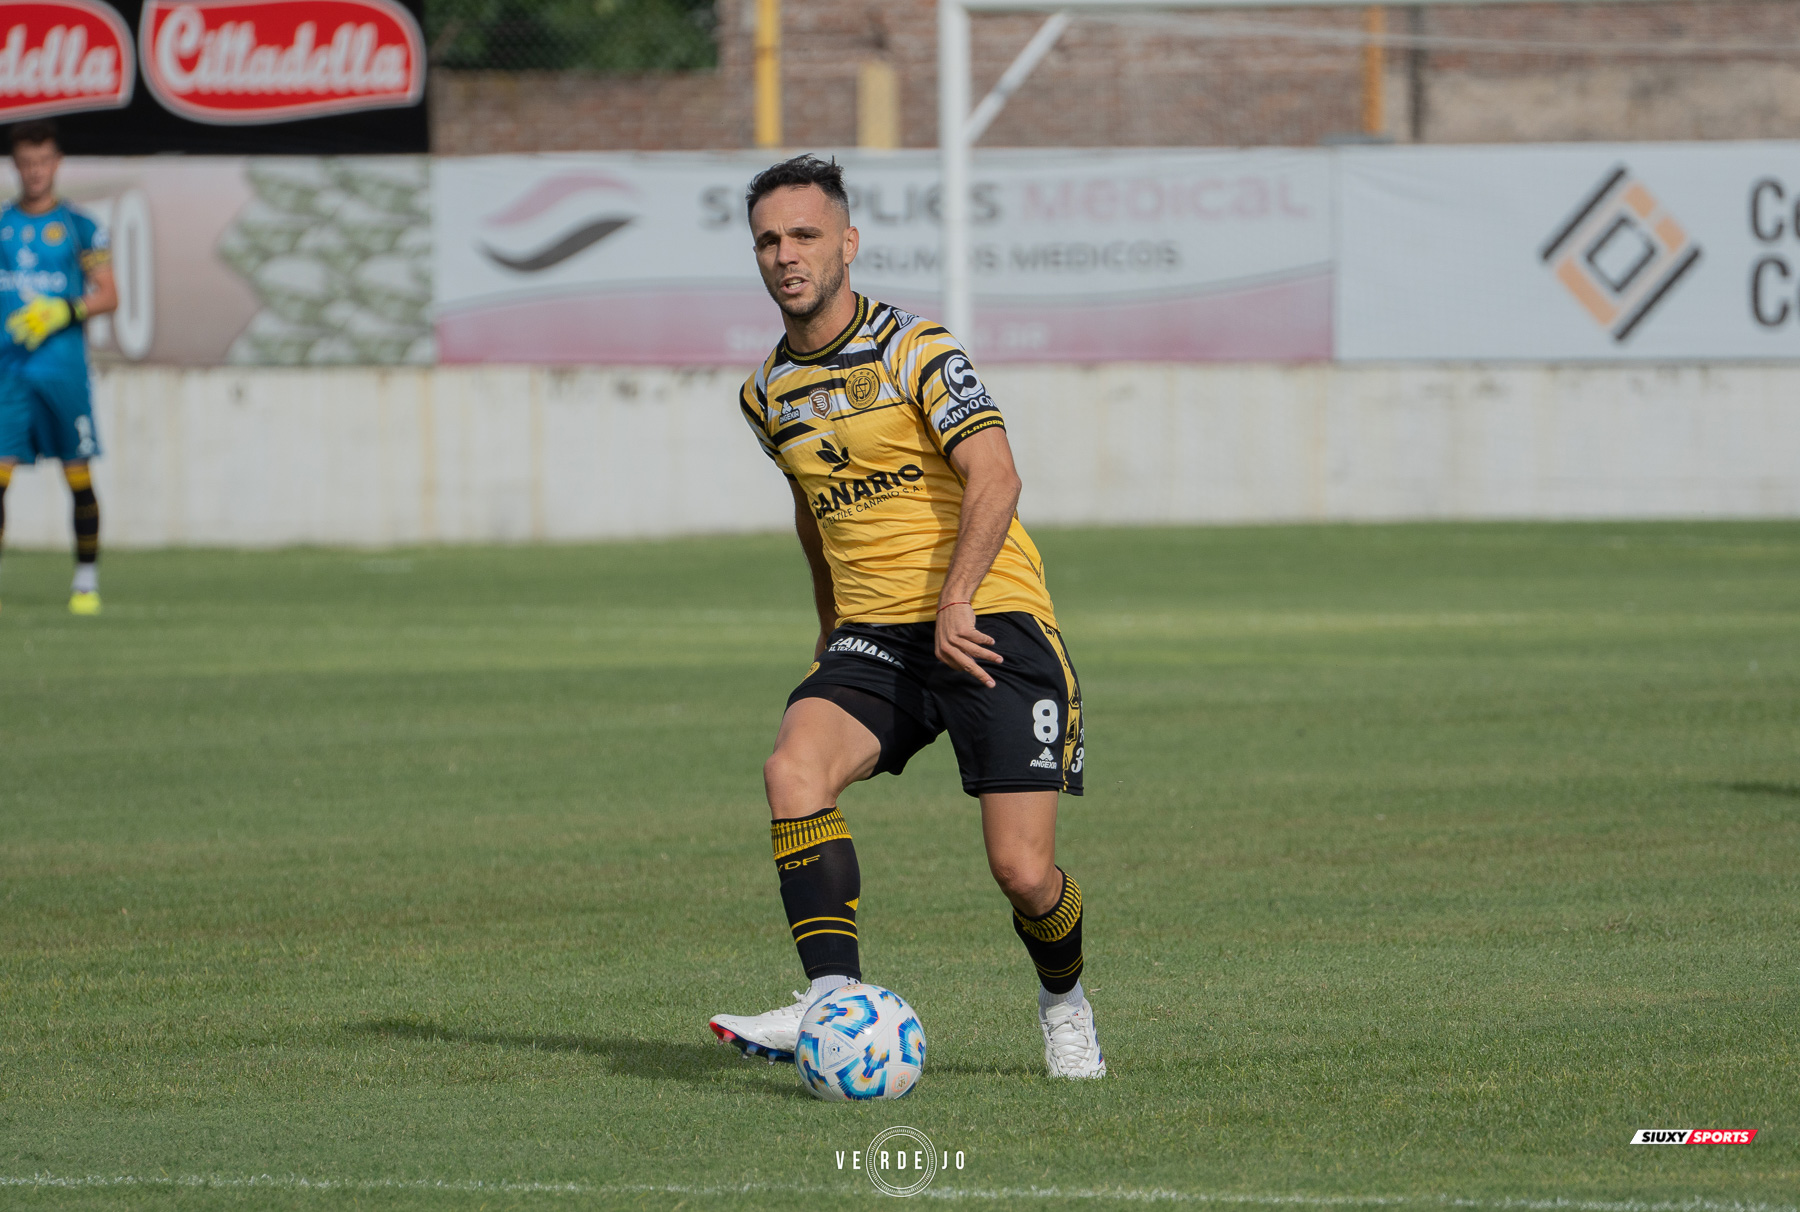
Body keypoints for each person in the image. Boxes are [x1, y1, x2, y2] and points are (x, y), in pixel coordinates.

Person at [707, 155, 1104, 1079]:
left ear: (848, 245)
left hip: (989, 617)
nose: (785, 254)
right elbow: (812, 511)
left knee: (1023, 873)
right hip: (875, 633)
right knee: (792, 769)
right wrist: (828, 621)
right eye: (769, 240)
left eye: (804, 235)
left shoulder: (916, 349)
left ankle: (1065, 1004)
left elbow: (997, 474)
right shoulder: (766, 394)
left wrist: (959, 596)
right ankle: (830, 1000)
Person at [0, 120, 117, 615]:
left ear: (57, 163)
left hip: (64, 371)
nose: (35, 172)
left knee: (78, 476)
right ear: (15, 166)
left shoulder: (80, 226)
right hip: (9, 372)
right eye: (26, 164)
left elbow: (109, 294)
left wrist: (63, 310)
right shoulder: (2, 224)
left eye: (43, 162)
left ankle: (86, 582)